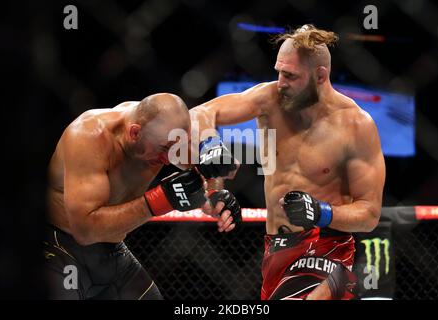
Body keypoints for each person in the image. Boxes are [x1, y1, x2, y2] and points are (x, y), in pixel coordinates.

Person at [190, 24, 386, 300]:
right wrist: (210, 149)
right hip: (275, 251)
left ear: (320, 75)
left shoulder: (356, 126)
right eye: (279, 72)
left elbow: (369, 215)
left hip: (326, 248)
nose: (280, 82)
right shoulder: (269, 99)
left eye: (290, 75)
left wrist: (322, 212)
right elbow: (200, 114)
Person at [45, 93, 240, 299]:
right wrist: (160, 200)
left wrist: (213, 193)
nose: (168, 160)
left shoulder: (167, 134)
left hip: (113, 253)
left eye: (175, 150)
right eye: (164, 149)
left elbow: (209, 166)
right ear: (134, 133)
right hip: (62, 248)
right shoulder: (88, 137)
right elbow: (84, 231)